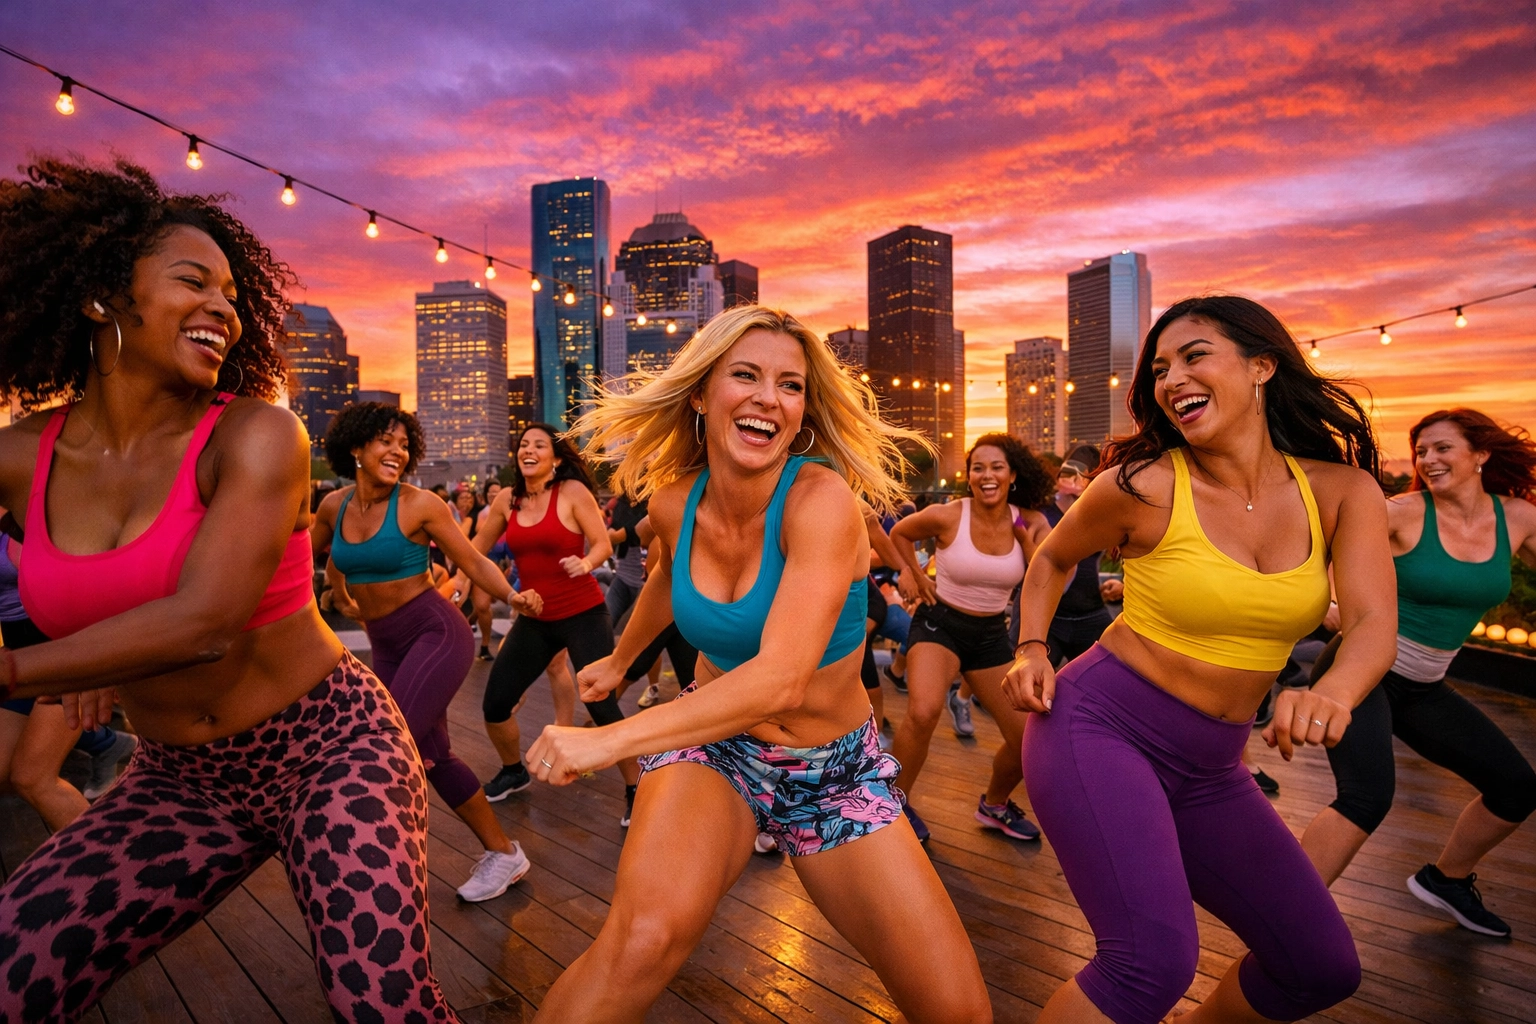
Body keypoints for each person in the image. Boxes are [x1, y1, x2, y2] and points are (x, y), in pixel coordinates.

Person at [0, 156, 461, 1022]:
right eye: (192, 282)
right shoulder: (20, 458)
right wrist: (91, 654)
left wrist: (25, 672)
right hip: (179, 778)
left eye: (231, 295)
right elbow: (86, 583)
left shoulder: (255, 434)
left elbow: (205, 620)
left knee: (382, 1007)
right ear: (101, 296)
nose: (224, 308)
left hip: (329, 747)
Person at [519, 305, 992, 1022]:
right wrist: (618, 660)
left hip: (832, 773)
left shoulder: (820, 500)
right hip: (716, 751)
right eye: (746, 375)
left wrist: (608, 737)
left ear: (801, 413)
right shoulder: (677, 504)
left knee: (957, 1012)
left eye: (790, 385)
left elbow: (780, 678)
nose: (769, 397)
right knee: (640, 942)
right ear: (703, 393)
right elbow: (666, 579)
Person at [1006, 295, 1396, 1024]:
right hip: (1099, 728)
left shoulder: (1343, 492)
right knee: (1147, 964)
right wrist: (1031, 646)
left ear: (1260, 365)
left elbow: (1374, 619)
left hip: (1214, 767)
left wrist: (1335, 689)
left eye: (1192, 356)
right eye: (1159, 369)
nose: (1170, 378)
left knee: (1319, 967)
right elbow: (1051, 559)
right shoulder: (1145, 484)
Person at [1300, 408, 1536, 937]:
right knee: (1367, 797)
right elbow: (1315, 538)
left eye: (1442, 448)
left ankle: (1446, 880)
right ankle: (1284, 916)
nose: (1428, 460)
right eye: (1422, 450)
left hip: (1424, 687)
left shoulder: (1517, 517)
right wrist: (1328, 601)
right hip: (1360, 668)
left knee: (1517, 787)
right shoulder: (1403, 512)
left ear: (1481, 454)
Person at [312, 402, 540, 903]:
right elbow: (320, 558)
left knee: (389, 744)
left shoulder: (419, 505)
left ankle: (370, 869)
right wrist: (333, 592)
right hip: (385, 644)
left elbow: (474, 559)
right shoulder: (334, 507)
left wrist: (511, 596)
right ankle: (504, 854)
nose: (398, 451)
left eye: (403, 443)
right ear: (355, 447)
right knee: (434, 755)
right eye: (385, 441)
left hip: (435, 633)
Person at [887, 434, 1054, 843]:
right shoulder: (949, 515)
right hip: (938, 623)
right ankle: (892, 808)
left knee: (1026, 737)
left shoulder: (1030, 521)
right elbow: (900, 534)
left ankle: (995, 805)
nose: (986, 475)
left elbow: (1045, 574)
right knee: (924, 712)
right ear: (969, 476)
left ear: (1012, 474)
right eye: (977, 468)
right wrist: (908, 572)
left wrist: (1022, 534)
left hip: (990, 634)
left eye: (996, 467)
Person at [473, 424, 642, 822]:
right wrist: (462, 586)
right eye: (523, 445)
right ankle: (514, 771)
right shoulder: (505, 501)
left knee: (601, 705)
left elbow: (601, 544)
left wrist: (584, 563)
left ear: (557, 459)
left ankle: (637, 785)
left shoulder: (572, 493)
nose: (528, 450)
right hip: (535, 619)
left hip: (583, 613)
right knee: (495, 703)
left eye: (539, 445)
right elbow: (473, 554)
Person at [1038, 444, 1120, 664]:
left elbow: (1135, 552)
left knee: (1108, 678)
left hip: (1090, 614)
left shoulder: (1100, 514)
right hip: (1051, 617)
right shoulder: (1042, 512)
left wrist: (1124, 586)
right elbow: (1016, 522)